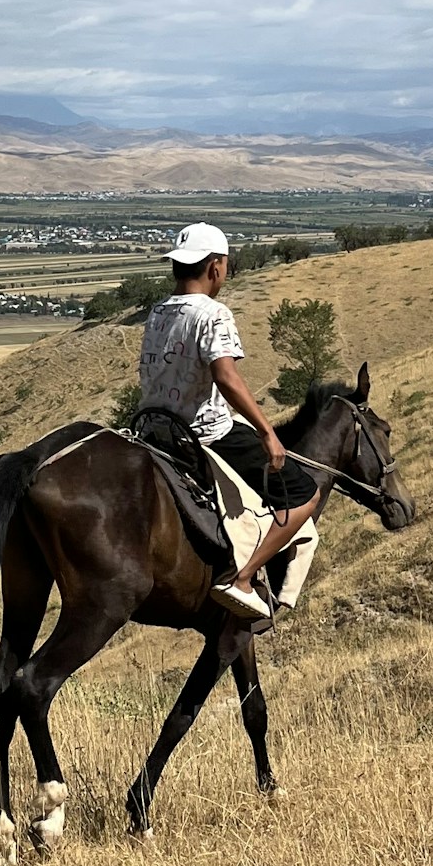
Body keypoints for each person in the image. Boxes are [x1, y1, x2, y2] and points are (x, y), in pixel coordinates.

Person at [135, 222, 327, 622]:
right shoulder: (213, 313)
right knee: (305, 494)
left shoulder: (156, 312)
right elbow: (226, 377)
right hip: (203, 432)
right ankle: (242, 579)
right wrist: (267, 432)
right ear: (217, 267)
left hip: (153, 428)